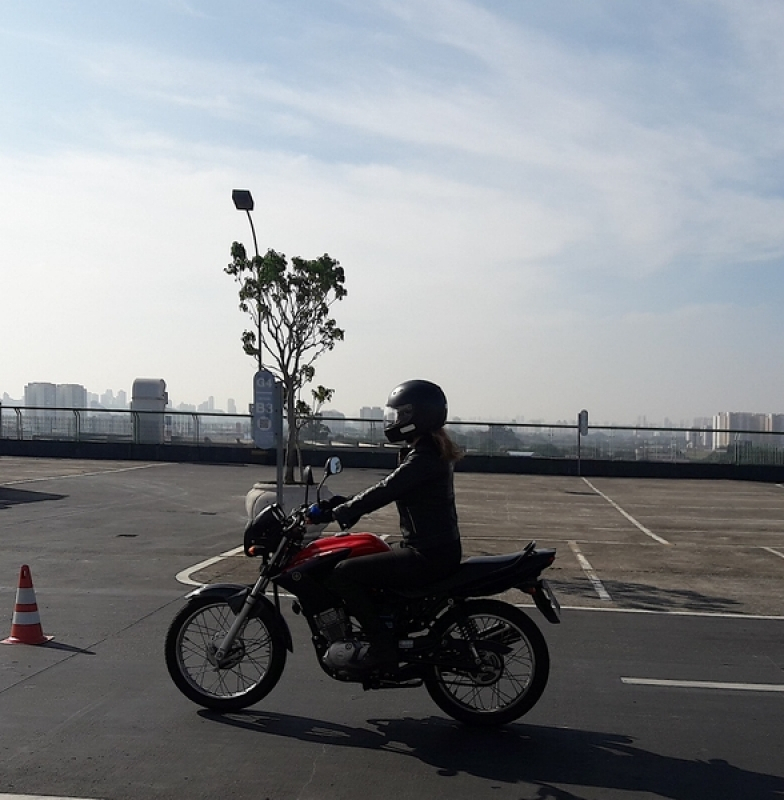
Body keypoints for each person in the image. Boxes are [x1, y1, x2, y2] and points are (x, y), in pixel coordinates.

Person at [309, 379, 463, 672]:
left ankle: (382, 648)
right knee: (367, 553)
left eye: (401, 415)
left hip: (428, 555)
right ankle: (386, 628)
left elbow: (386, 490)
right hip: (432, 548)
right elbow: (386, 488)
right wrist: (340, 504)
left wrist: (338, 513)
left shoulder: (424, 457)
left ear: (418, 417)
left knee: (343, 573)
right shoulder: (427, 451)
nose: (394, 421)